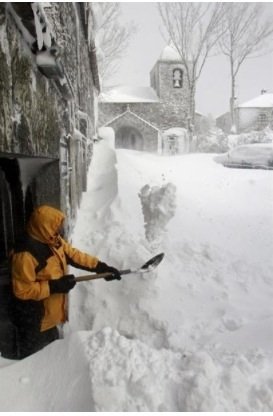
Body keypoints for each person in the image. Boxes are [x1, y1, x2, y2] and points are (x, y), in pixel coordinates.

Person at [10, 204, 121, 359]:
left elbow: (73, 255)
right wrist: (55, 286)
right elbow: (22, 291)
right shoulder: (25, 255)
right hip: (35, 321)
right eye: (57, 227)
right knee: (35, 364)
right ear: (45, 227)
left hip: (50, 318)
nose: (60, 230)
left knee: (55, 357)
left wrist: (100, 267)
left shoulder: (53, 241)